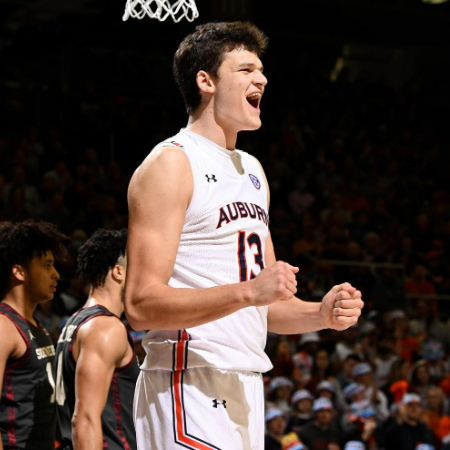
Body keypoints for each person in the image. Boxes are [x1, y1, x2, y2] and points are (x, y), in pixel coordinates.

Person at [125, 21, 364, 449]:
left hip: (247, 383)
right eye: (247, 70)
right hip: (188, 378)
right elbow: (141, 305)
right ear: (206, 81)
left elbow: (267, 305)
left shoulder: (252, 170)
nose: (262, 79)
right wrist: (249, 292)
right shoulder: (172, 163)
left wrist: (320, 315)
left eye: (262, 70)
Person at [54, 229, 139, 449]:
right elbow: (85, 420)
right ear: (118, 272)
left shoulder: (76, 323)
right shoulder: (105, 327)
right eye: (137, 266)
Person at [0, 220, 67, 450]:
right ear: (19, 271)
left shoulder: (37, 325)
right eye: (47, 265)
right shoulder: (3, 326)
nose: (56, 274)